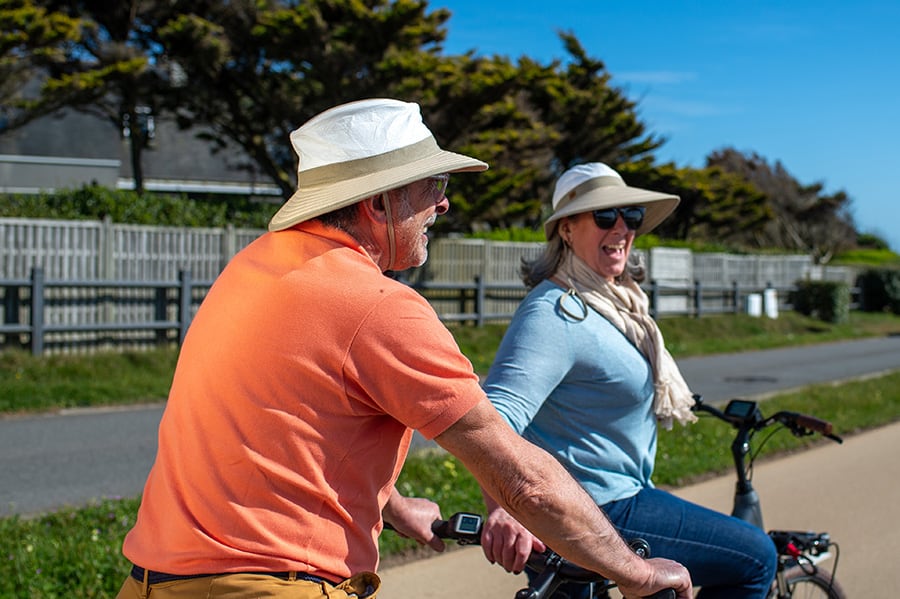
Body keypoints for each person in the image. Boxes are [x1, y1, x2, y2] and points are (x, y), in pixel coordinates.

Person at [114, 100, 692, 599]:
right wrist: (636, 572)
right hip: (270, 584)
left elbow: (277, 426)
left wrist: (389, 503)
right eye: (432, 187)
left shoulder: (252, 268)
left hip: (151, 580)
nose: (443, 205)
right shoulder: (377, 305)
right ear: (380, 204)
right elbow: (522, 480)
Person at [478, 162, 778, 598]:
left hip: (611, 498)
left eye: (631, 216)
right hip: (599, 507)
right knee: (757, 557)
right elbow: (492, 418)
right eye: (604, 216)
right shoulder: (555, 312)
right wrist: (502, 507)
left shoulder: (615, 305)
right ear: (566, 229)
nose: (621, 228)